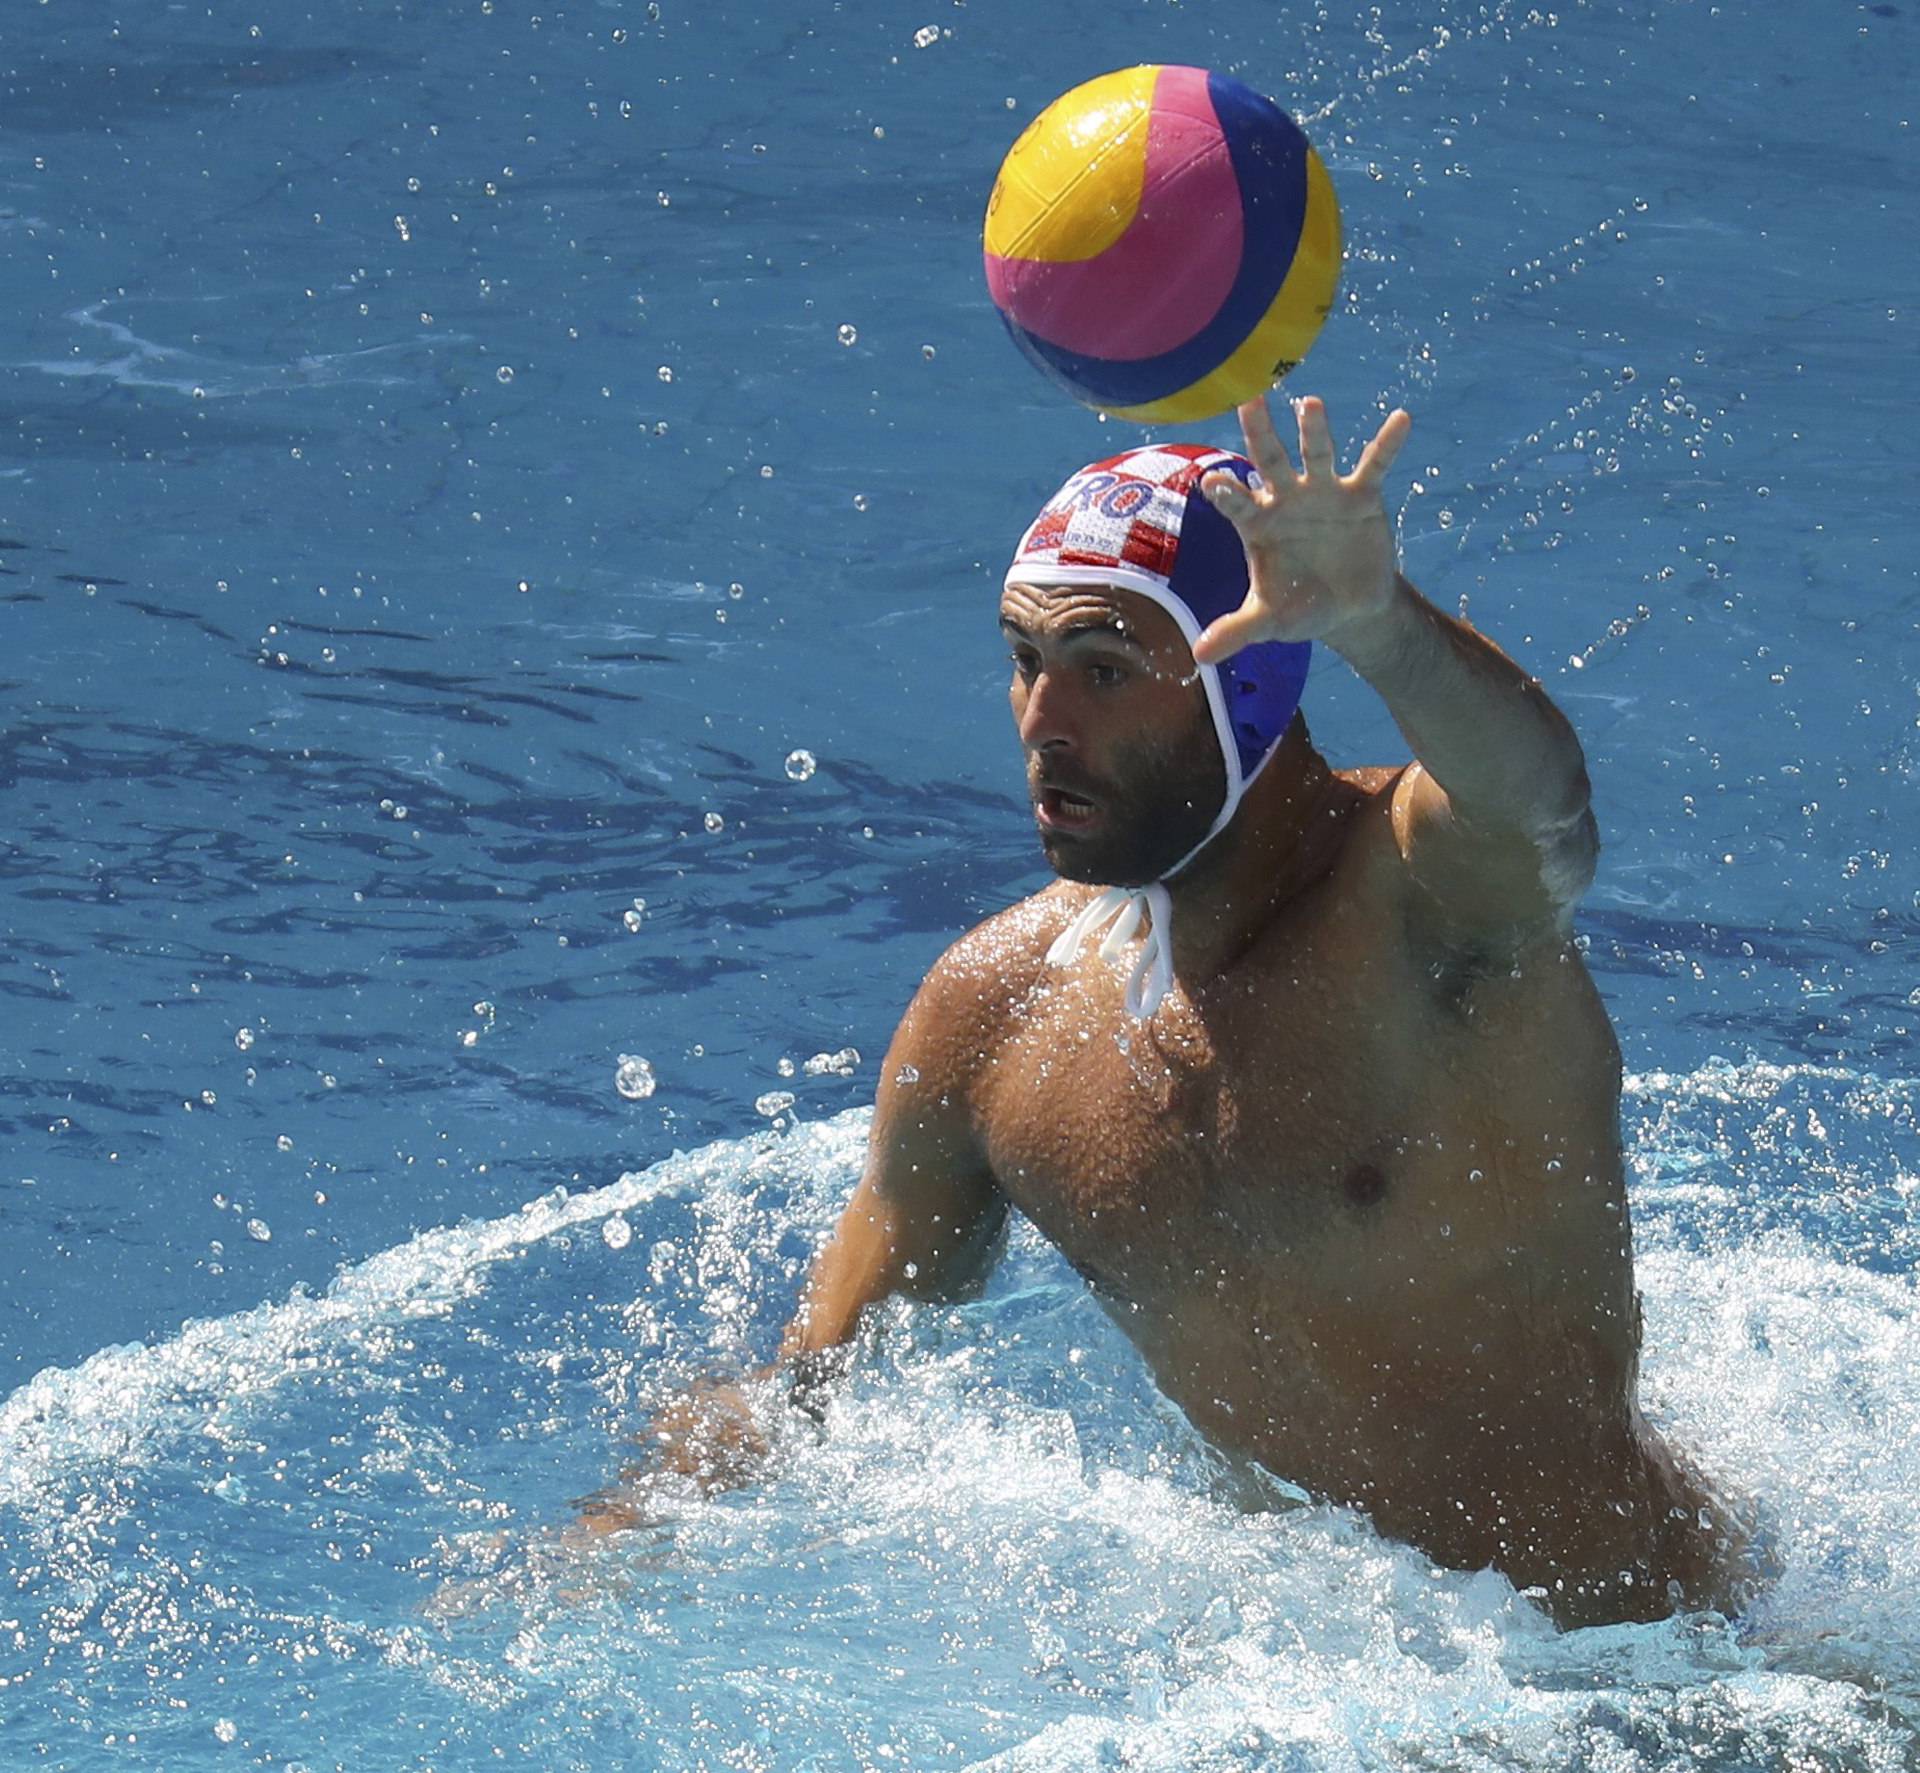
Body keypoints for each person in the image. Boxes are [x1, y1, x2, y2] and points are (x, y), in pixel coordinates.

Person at [586, 393, 1747, 1628]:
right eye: (1025, 661)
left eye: (1102, 668)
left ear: (1245, 682)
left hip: (1657, 1667)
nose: (1043, 723)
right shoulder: (993, 1022)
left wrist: (1384, 630)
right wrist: (609, 1544)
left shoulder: (1420, 906)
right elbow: (817, 1377)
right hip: (1336, 1691)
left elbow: (1545, 816)